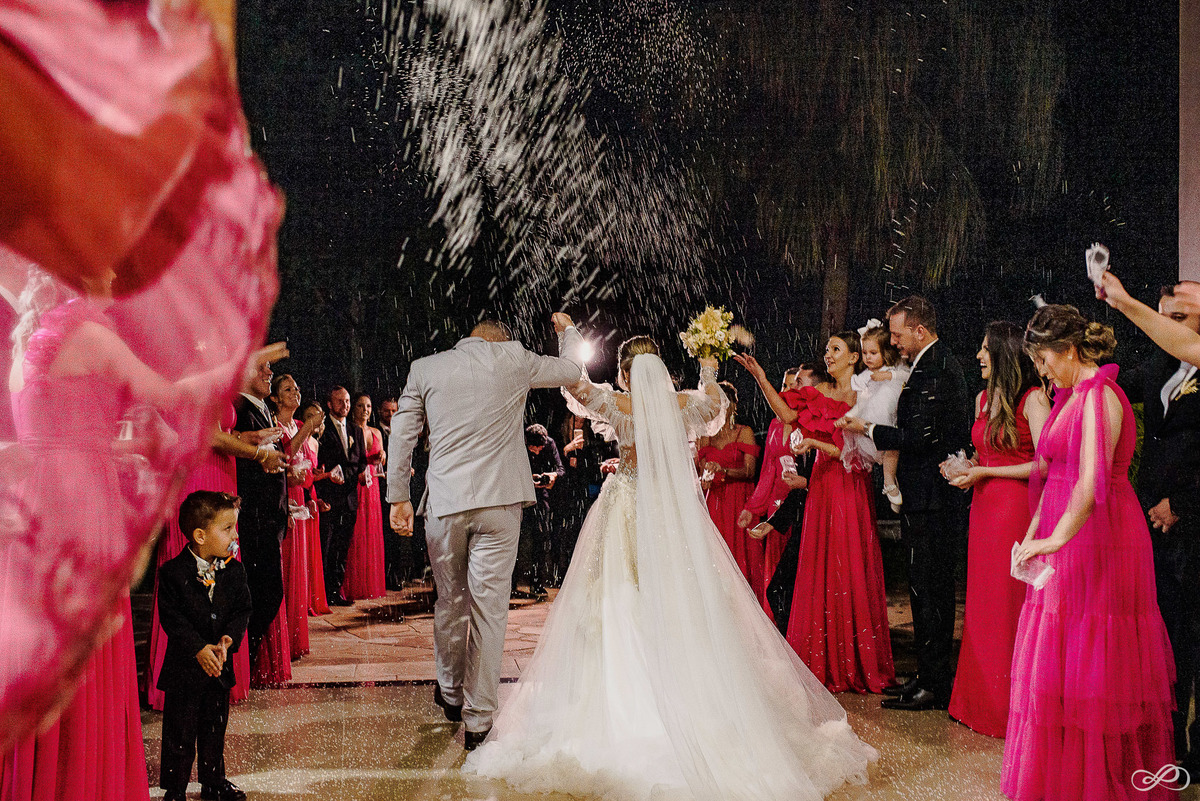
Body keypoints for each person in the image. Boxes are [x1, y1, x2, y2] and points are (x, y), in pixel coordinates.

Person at [467, 336, 877, 799]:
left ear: (624, 373)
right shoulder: (681, 406)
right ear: (660, 369)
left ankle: (621, 702)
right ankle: (692, 695)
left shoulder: (618, 403)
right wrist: (706, 365)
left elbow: (578, 388)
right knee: (683, 598)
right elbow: (716, 403)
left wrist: (568, 339)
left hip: (623, 508)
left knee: (615, 599)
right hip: (671, 512)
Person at [387, 315, 584, 749]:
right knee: (490, 608)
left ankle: (451, 691)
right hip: (501, 502)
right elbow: (572, 371)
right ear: (499, 337)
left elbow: (402, 432)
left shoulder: (427, 367)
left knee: (450, 599)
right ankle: (479, 720)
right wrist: (567, 332)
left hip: (446, 503)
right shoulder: (514, 358)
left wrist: (398, 495)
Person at [1006, 304, 1175, 800]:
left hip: (1103, 539)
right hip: (1068, 533)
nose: (1040, 370)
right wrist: (1033, 536)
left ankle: (1101, 782)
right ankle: (1065, 778)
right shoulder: (1069, 394)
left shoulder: (1100, 396)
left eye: (1043, 359)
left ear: (1068, 350)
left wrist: (1053, 540)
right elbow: (1052, 471)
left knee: (1096, 661)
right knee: (1062, 658)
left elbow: (1090, 483)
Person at [737, 335, 894, 694]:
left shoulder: (867, 396)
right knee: (821, 566)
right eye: (827, 349)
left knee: (849, 565)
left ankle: (854, 659)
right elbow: (787, 414)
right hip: (822, 486)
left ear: (854, 357)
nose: (828, 354)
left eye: (836, 349)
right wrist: (760, 377)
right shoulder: (820, 394)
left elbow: (859, 452)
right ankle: (822, 658)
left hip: (850, 487)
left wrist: (815, 444)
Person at [840, 295, 972, 710]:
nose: (893, 342)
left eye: (897, 334)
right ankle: (926, 674)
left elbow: (920, 439)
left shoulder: (937, 367)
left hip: (934, 497)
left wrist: (870, 429)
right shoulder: (928, 364)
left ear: (919, 330)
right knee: (922, 588)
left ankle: (934, 682)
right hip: (924, 496)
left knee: (931, 589)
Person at [1102, 272, 1200, 771]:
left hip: (1192, 517)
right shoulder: (1163, 364)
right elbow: (1114, 378)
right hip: (1155, 521)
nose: (1168, 319)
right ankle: (1171, 742)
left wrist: (1183, 503)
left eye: (1180, 313)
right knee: (1169, 635)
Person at [941, 322, 1049, 738]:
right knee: (982, 604)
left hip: (1015, 511)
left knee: (1008, 606)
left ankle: (1011, 710)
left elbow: (1045, 462)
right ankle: (978, 702)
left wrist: (986, 470)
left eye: (985, 350)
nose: (979, 357)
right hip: (983, 508)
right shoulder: (982, 398)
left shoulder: (1034, 399)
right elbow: (985, 451)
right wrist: (968, 466)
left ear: (1003, 354)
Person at [156, 491, 252, 801]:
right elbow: (173, 620)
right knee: (179, 734)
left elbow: (241, 611)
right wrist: (198, 649)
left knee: (214, 729)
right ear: (200, 535)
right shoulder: (172, 573)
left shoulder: (234, 571)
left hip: (218, 668)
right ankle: (175, 788)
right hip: (184, 670)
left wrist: (228, 640)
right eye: (227, 529)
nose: (234, 535)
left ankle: (214, 782)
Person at [233, 359, 289, 672]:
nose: (269, 372)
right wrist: (258, 455)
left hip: (272, 513)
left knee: (268, 592)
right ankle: (244, 662)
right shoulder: (239, 408)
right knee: (263, 592)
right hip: (254, 515)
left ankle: (248, 661)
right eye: (262, 367)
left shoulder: (263, 408)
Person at [737, 368, 800, 616]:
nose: (786, 391)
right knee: (774, 575)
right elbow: (768, 472)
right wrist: (752, 509)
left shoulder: (806, 421)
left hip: (797, 503)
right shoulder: (775, 424)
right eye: (784, 385)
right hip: (775, 506)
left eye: (794, 385)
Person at [271, 375, 323, 657]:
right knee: (284, 569)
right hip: (284, 498)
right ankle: (281, 640)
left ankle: (295, 638)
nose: (296, 393)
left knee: (299, 571)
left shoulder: (298, 425)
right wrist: (308, 430)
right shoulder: (277, 426)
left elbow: (304, 465)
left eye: (297, 388)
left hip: (301, 498)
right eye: (288, 390)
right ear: (276, 398)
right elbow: (286, 454)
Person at [696, 382, 761, 590]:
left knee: (742, 558)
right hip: (714, 502)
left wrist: (724, 471)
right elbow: (700, 473)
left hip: (740, 500)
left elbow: (750, 471)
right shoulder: (705, 436)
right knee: (715, 558)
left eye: (725, 403)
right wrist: (704, 480)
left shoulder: (744, 431)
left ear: (734, 405)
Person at [842, 320, 908, 511]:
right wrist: (848, 417)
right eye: (865, 353)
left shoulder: (895, 370)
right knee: (885, 448)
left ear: (886, 352)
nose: (868, 358)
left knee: (892, 447)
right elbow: (861, 402)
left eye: (873, 353)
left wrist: (889, 377)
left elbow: (908, 376)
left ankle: (889, 483)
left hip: (890, 419)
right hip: (871, 422)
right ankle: (888, 482)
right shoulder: (864, 377)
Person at [316, 386, 365, 606]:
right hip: (329, 496)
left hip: (350, 497)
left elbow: (361, 461)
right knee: (328, 546)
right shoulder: (323, 430)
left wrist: (352, 475)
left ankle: (337, 590)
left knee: (343, 546)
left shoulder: (356, 430)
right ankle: (325, 592)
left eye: (346, 401)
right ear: (329, 404)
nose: (344, 405)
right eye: (339, 401)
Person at [343, 393, 386, 601]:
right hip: (357, 483)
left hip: (373, 486)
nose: (365, 410)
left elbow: (381, 459)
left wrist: (382, 458)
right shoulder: (350, 429)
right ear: (354, 409)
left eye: (368, 406)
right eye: (360, 405)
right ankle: (354, 584)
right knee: (356, 533)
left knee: (373, 531)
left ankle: (371, 583)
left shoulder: (377, 432)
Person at [513, 424, 564, 599]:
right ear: (527, 444)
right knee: (515, 541)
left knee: (541, 540)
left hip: (541, 497)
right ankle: (511, 584)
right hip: (518, 497)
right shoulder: (518, 445)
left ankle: (537, 583)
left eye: (541, 447)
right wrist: (528, 479)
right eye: (535, 447)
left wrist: (551, 476)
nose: (538, 450)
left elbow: (561, 469)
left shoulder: (549, 444)